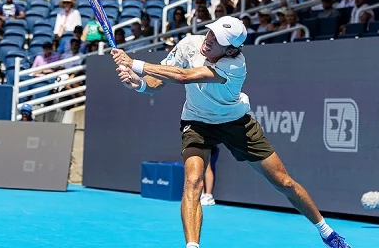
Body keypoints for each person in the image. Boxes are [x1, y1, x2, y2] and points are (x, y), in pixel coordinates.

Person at [110, 16, 353, 248]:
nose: (208, 39)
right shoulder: (190, 44)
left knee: (284, 182)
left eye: (217, 40)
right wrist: (139, 84)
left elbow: (184, 77)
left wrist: (135, 64)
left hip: (236, 123)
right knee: (193, 181)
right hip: (197, 122)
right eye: (210, 32)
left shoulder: (235, 66)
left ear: (230, 50)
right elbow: (158, 82)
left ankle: (327, 232)